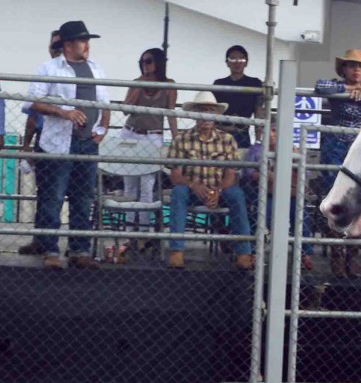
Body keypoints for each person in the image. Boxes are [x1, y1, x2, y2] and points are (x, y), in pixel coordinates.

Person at [25, 20, 111, 270]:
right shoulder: (49, 67)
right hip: (58, 143)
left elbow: (106, 102)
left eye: (87, 41)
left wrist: (102, 129)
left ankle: (79, 250)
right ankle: (51, 250)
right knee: (53, 197)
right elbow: (33, 102)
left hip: (87, 142)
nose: (87, 45)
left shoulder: (96, 69)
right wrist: (64, 112)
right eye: (83, 40)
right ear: (69, 44)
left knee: (83, 198)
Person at [314, 48, 361, 278]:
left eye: (360, 66)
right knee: (334, 202)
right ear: (344, 69)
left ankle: (352, 256)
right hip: (336, 148)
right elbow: (319, 86)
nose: (356, 69)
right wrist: (349, 89)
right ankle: (336, 255)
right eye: (352, 65)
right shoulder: (335, 85)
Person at [165, 91, 252, 270]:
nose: (206, 115)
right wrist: (193, 185)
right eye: (202, 110)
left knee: (236, 195)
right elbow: (175, 175)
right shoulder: (181, 139)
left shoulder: (227, 139)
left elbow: (231, 173)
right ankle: (177, 251)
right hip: (191, 190)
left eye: (210, 110)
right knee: (178, 192)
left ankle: (244, 253)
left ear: (217, 115)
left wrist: (217, 191)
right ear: (194, 114)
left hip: (221, 189)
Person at [242, 121, 314, 272]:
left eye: (275, 131)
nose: (272, 135)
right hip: (265, 193)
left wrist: (296, 158)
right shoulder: (256, 150)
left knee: (301, 215)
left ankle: (303, 253)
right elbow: (248, 172)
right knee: (263, 214)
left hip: (289, 195)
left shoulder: (292, 150)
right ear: (262, 133)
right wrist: (267, 174)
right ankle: (254, 252)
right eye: (268, 131)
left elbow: (305, 174)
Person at [120, 47, 178, 233]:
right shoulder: (137, 83)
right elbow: (126, 109)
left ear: (158, 63)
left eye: (149, 61)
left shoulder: (169, 85)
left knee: (147, 186)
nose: (145, 65)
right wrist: (139, 87)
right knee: (130, 187)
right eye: (142, 61)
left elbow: (170, 114)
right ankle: (129, 230)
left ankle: (144, 230)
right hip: (131, 132)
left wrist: (176, 139)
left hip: (153, 136)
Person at [17, 30, 63, 257]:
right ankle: (40, 240)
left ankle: (74, 247)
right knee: (45, 193)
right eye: (52, 45)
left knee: (70, 195)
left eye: (58, 45)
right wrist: (26, 146)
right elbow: (33, 114)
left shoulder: (76, 73)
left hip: (70, 140)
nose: (54, 49)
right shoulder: (45, 71)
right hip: (45, 140)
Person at [212, 45, 264, 148]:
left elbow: (258, 112)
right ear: (227, 62)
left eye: (241, 58)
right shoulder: (219, 83)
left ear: (246, 62)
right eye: (232, 58)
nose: (237, 62)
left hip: (242, 133)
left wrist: (258, 141)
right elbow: (213, 111)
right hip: (220, 132)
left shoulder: (254, 83)